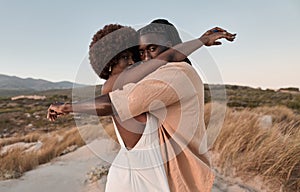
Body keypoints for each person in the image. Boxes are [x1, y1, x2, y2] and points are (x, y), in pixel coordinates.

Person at [47, 19, 236, 191]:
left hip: (149, 173)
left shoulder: (176, 74)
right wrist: (200, 41)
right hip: (143, 177)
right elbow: (164, 58)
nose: (144, 59)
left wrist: (68, 107)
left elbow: (166, 59)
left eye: (151, 49)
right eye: (140, 53)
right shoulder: (125, 84)